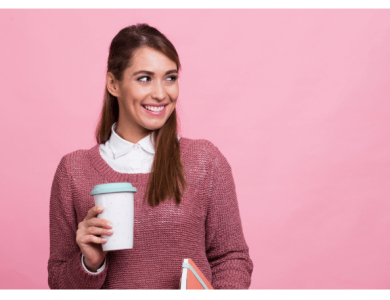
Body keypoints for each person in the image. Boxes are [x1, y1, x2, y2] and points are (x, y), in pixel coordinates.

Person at [48, 23, 253, 290]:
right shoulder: (73, 171)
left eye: (170, 77)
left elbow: (231, 259)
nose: (160, 93)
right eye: (144, 78)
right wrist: (90, 263)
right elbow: (58, 281)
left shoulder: (206, 162)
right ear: (113, 84)